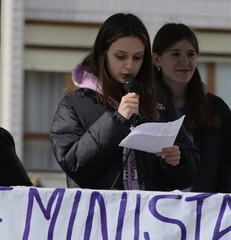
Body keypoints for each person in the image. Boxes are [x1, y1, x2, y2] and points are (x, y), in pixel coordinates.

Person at [51, 13, 199, 190]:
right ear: (103, 53)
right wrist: (116, 120)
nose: (130, 65)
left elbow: (190, 174)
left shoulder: (158, 102)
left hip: (148, 207)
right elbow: (74, 165)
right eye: (120, 56)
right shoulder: (74, 104)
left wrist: (177, 162)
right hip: (101, 207)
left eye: (137, 57)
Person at [152, 23, 231, 193]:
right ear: (157, 59)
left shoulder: (217, 110)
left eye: (191, 54)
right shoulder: (143, 106)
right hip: (154, 207)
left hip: (204, 208)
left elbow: (229, 174)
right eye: (175, 54)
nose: (185, 62)